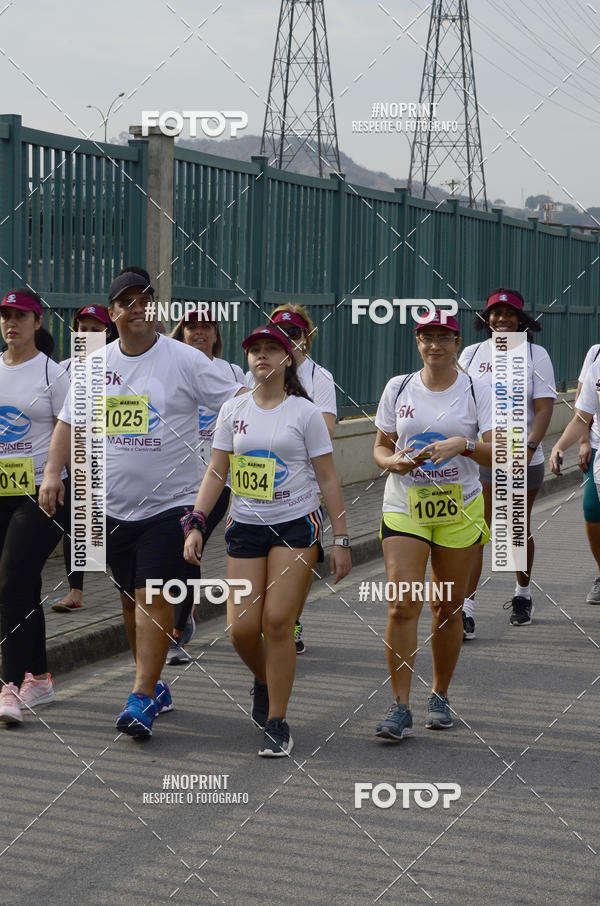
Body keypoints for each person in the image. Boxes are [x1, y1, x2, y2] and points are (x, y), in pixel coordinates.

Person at [39, 270, 246, 739]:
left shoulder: (185, 360)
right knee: (131, 603)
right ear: (112, 313)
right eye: (126, 301)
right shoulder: (93, 365)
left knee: (153, 595)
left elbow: (237, 401)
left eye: (145, 300)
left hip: (171, 505)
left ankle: (139, 696)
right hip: (111, 507)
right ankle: (153, 685)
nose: (136, 308)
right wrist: (53, 473)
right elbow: (68, 426)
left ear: (154, 308)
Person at [183, 326, 351, 757]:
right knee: (240, 630)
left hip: (296, 525)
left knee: (277, 623)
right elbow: (218, 471)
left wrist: (342, 538)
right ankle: (265, 678)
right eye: (255, 350)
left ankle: (277, 721)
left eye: (271, 349)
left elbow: (329, 478)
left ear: (287, 358)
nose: (261, 356)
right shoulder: (233, 409)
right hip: (245, 526)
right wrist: (198, 522)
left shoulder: (304, 413)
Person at [373, 311, 492, 741]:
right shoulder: (398, 387)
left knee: (447, 606)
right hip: (405, 504)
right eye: (427, 337)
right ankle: (399, 705)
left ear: (457, 342)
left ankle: (439, 694)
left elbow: (501, 451)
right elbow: (381, 447)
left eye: (444, 337)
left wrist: (465, 444)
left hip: (458, 508)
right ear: (417, 341)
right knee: (403, 603)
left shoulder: (478, 390)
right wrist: (394, 462)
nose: (435, 345)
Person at [459, 289, 556, 632]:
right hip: (481, 455)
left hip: (522, 456)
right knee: (477, 530)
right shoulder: (471, 354)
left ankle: (522, 593)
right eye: (495, 313)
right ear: (486, 318)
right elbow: (460, 402)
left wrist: (529, 446)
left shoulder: (535, 354)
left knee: (515, 529)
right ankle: (466, 609)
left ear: (521, 319)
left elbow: (544, 409)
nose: (501, 319)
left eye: (509, 313)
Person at [248, 304, 337, 654]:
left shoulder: (319, 378)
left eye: (295, 334)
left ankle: (289, 620)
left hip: (305, 489)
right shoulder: (253, 374)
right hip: (256, 489)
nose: (287, 340)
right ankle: (268, 620)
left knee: (295, 567)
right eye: (279, 334)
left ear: (306, 340)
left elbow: (325, 432)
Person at [0, 288, 70, 725]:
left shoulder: (52, 373)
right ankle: (40, 677)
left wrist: (52, 474)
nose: (12, 323)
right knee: (20, 586)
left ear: (37, 322)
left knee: (8, 585)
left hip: (42, 496)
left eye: (21, 316)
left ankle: (7, 687)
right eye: (5, 316)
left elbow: (73, 429)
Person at [166, 309, 245, 665]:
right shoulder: (169, 368)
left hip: (216, 480)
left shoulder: (232, 373)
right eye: (190, 326)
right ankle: (178, 614)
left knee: (190, 543)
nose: (198, 332)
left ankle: (178, 628)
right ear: (181, 333)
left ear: (216, 334)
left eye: (205, 327)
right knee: (172, 549)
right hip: (171, 480)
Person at [53, 304, 117, 613]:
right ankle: (75, 591)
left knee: (113, 532)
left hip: (118, 462)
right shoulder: (62, 370)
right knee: (75, 526)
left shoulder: (120, 367)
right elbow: (59, 420)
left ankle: (132, 589)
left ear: (108, 334)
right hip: (78, 461)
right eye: (84, 329)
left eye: (96, 330)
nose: (89, 335)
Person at [574, 344, 600, 603]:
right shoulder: (595, 353)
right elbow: (582, 402)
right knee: (592, 510)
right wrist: (583, 442)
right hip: (597, 445)